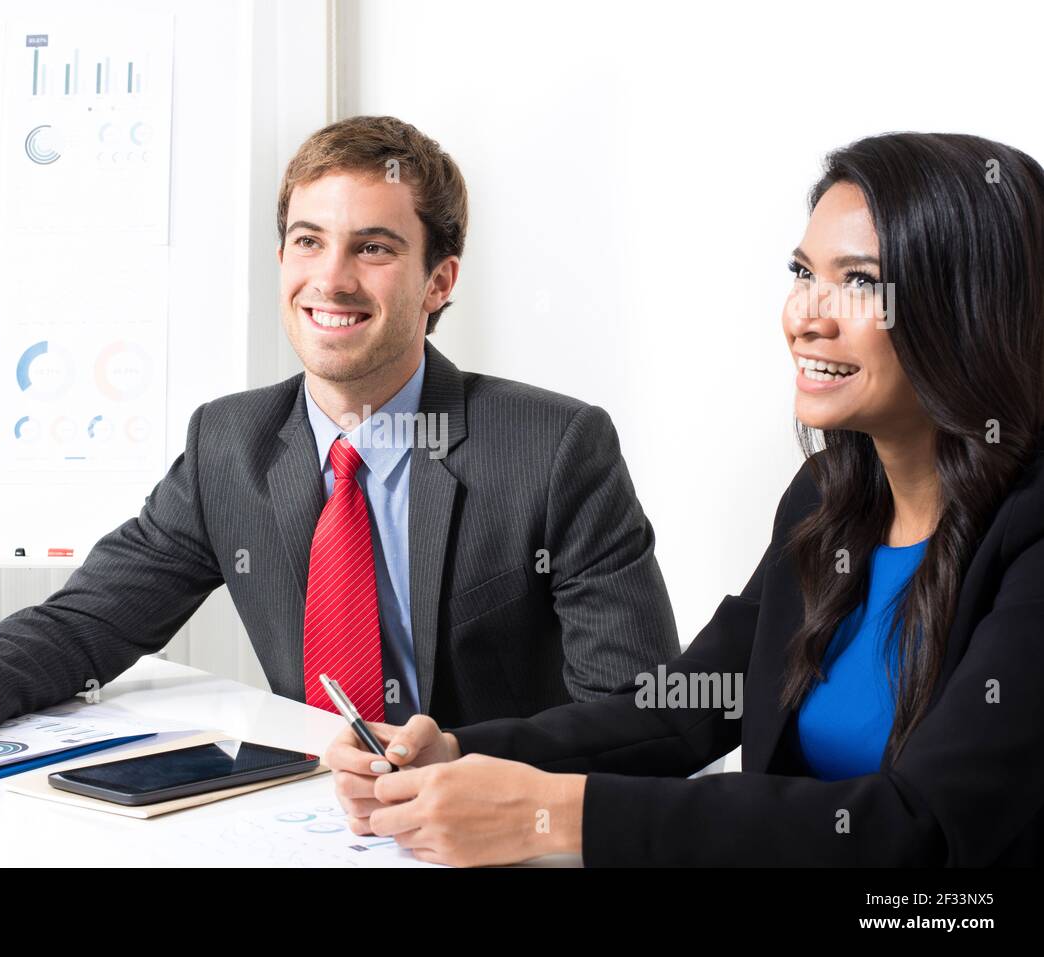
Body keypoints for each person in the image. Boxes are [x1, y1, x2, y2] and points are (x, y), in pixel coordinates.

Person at [0, 115, 678, 746]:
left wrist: (463, 755)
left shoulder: (554, 449)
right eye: (308, 241)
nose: (331, 279)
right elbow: (92, 620)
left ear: (438, 281)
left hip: (496, 834)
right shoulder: (230, 444)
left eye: (374, 248)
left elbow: (638, 712)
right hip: (312, 825)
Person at [325, 131, 1044, 867]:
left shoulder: (1029, 531)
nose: (806, 315)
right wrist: (454, 747)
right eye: (802, 273)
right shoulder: (827, 499)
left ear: (970, 305)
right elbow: (690, 708)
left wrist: (559, 814)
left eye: (860, 282)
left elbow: (924, 828)